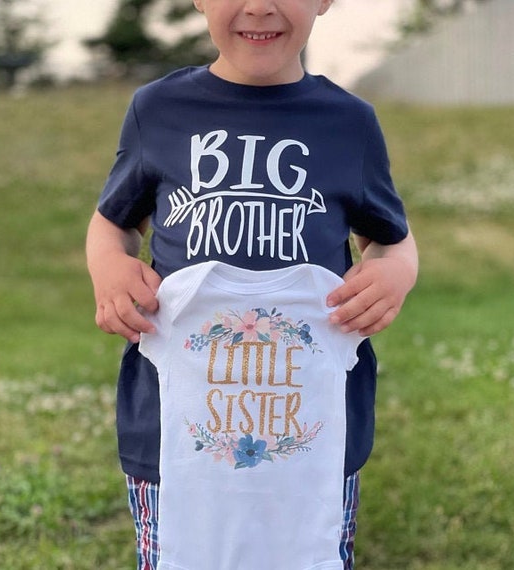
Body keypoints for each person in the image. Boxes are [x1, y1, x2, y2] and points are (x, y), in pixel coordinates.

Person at [86, 0, 418, 568]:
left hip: (306, 424)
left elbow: (391, 237)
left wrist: (395, 270)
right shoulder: (159, 109)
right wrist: (110, 268)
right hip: (176, 425)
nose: (259, 6)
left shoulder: (349, 122)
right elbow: (114, 221)